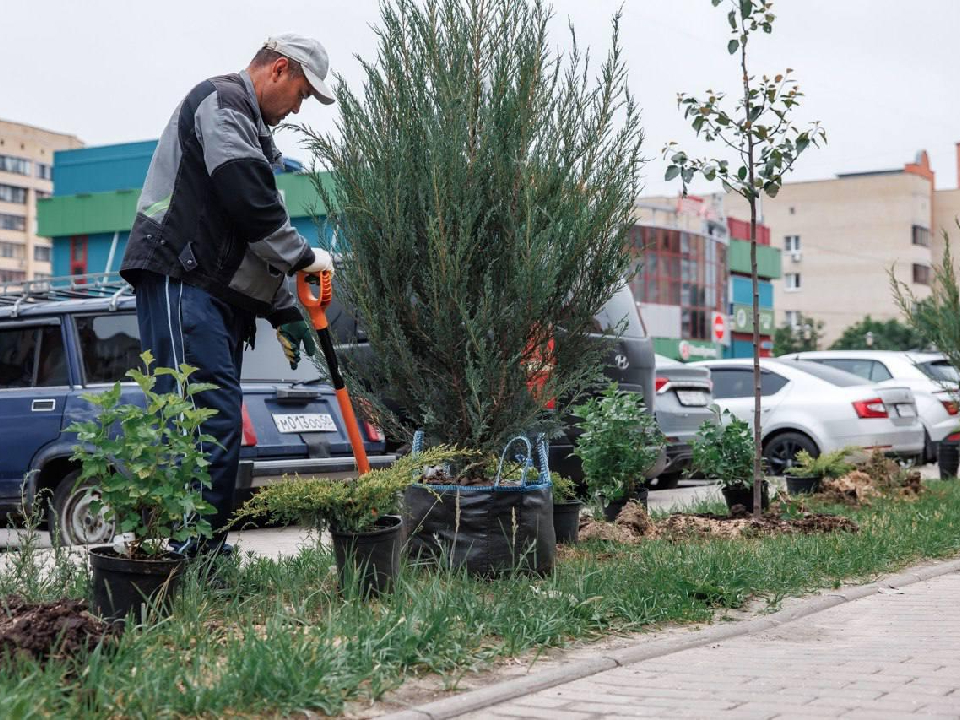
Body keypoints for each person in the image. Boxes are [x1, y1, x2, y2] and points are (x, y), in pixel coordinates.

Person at [119, 34, 336, 555]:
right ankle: (189, 552)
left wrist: (284, 309)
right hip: (180, 276)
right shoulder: (224, 101)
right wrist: (305, 257)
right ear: (280, 69)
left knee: (214, 416)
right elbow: (249, 203)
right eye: (303, 93)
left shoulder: (255, 135)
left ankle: (199, 549)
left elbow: (247, 236)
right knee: (198, 413)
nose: (299, 106)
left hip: (213, 290)